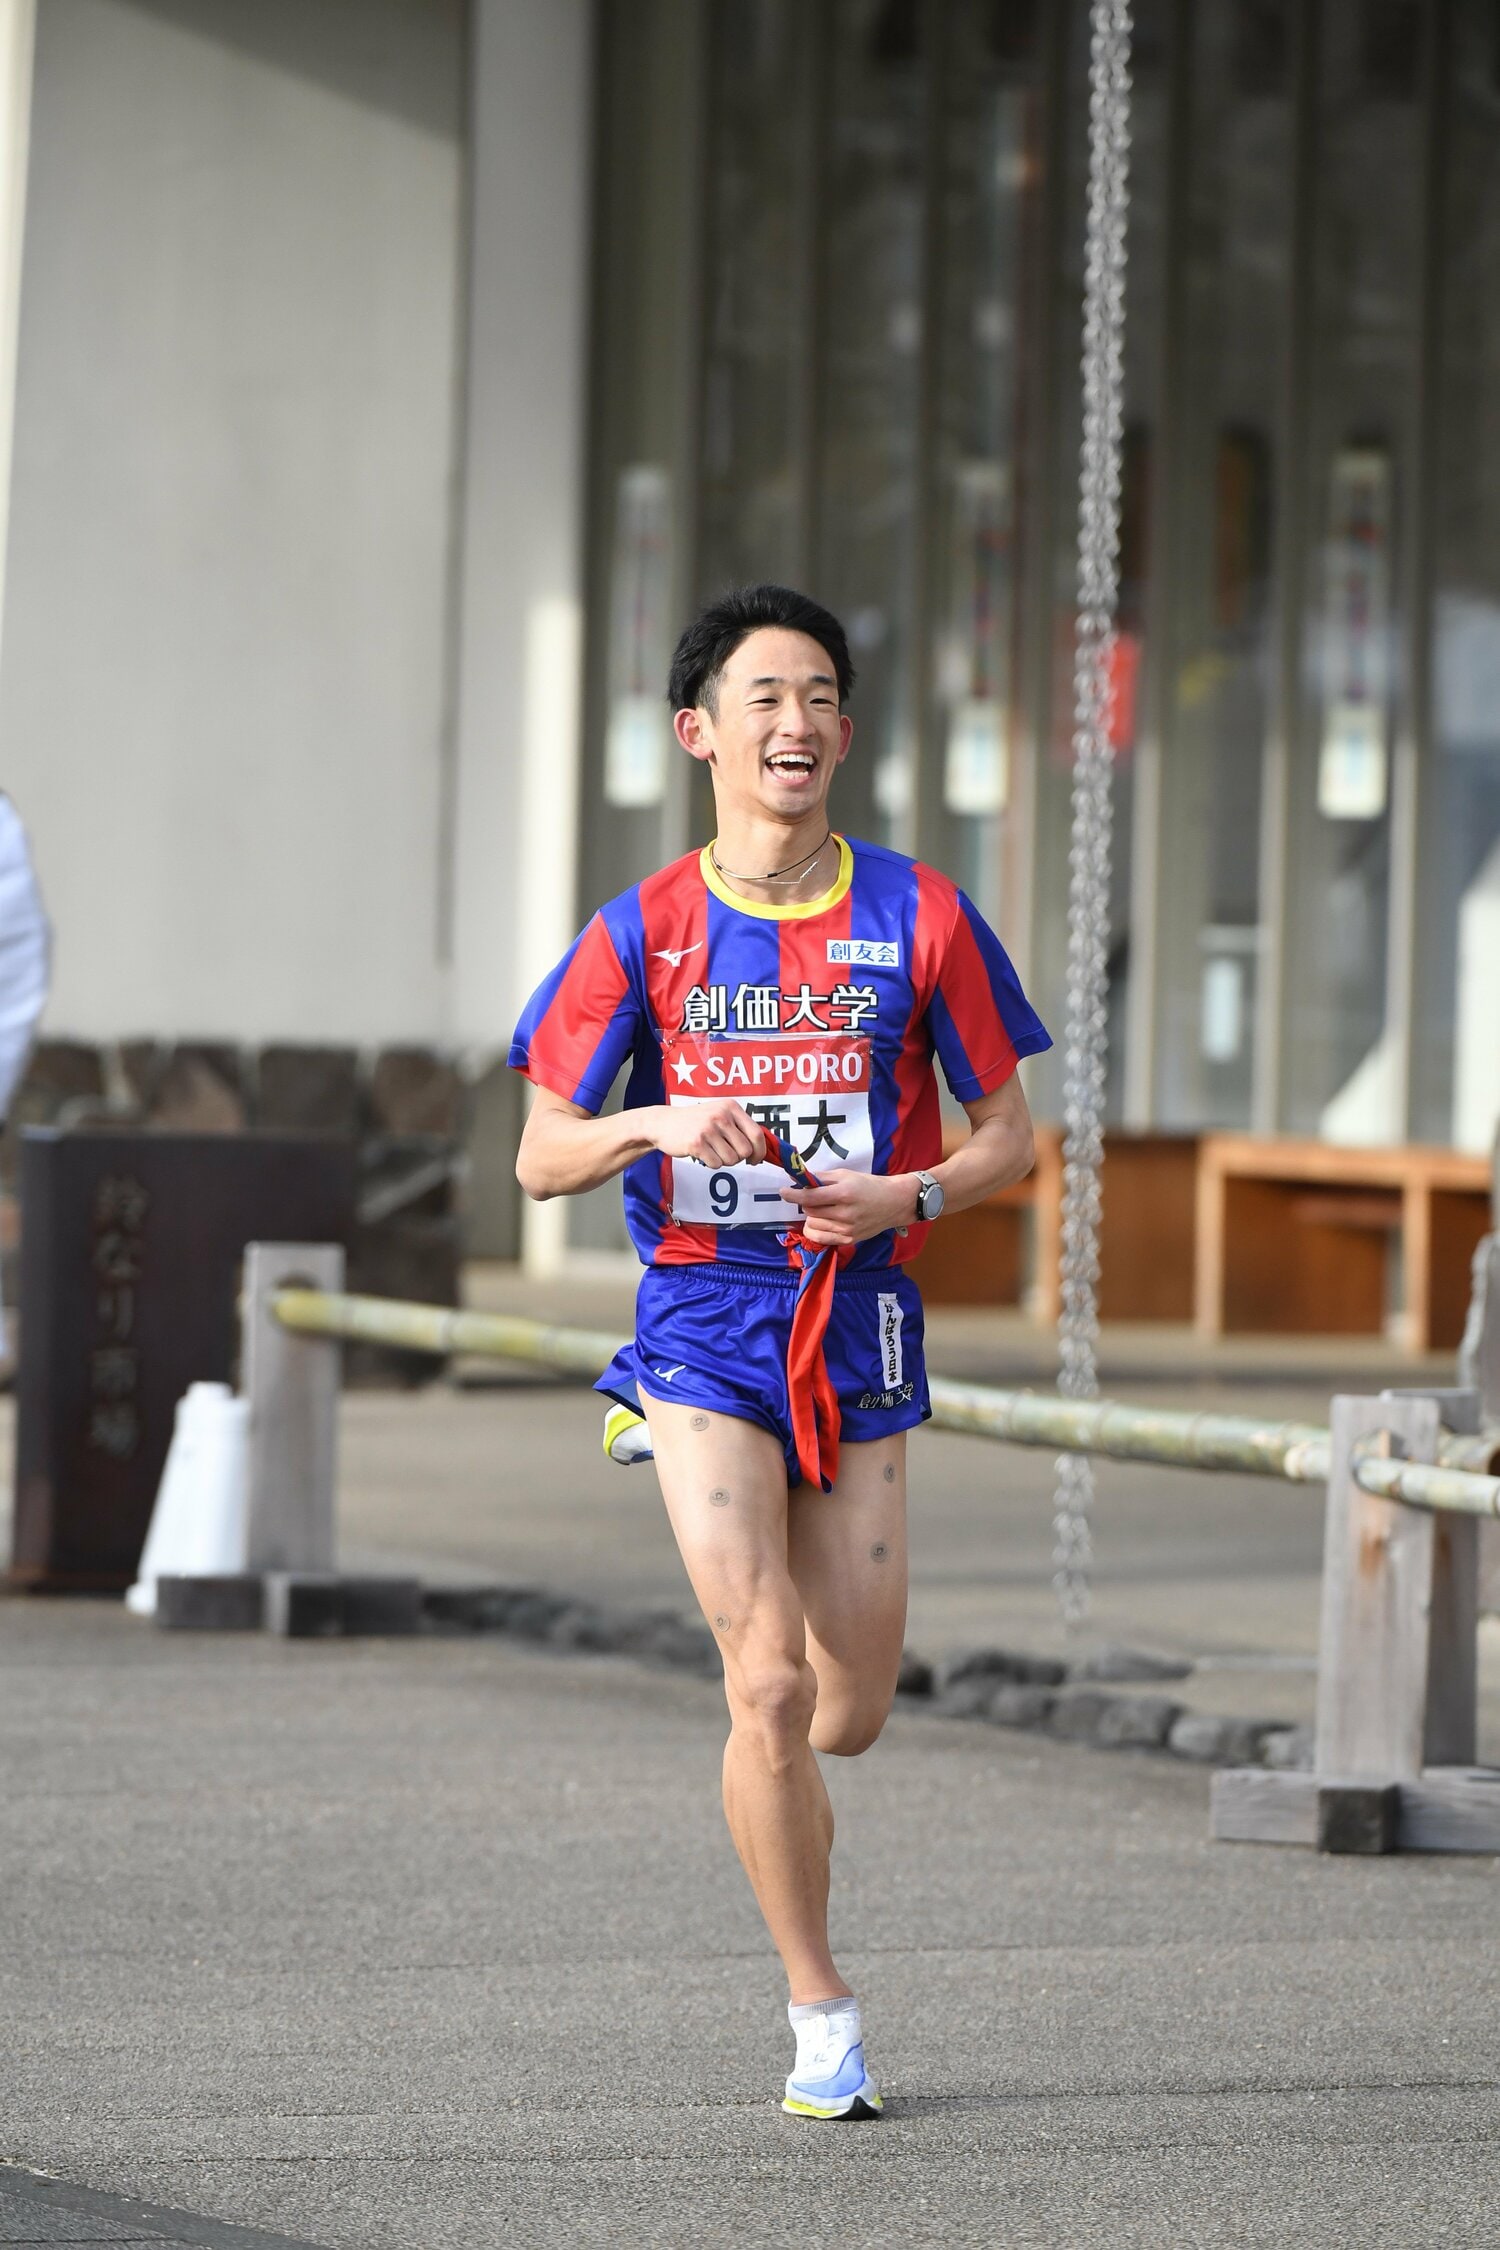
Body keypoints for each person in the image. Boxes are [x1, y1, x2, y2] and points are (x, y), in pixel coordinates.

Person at [509, 584, 1048, 2119]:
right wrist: (654, 1117)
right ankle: (822, 2009)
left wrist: (913, 1187)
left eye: (818, 697)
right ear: (700, 733)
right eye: (763, 698)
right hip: (701, 1316)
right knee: (758, 1687)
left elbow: (1013, 1132)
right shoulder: (643, 931)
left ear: (846, 731)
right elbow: (543, 1158)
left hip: (858, 1313)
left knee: (842, 1708)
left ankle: (706, 1491)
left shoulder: (923, 914)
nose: (794, 723)